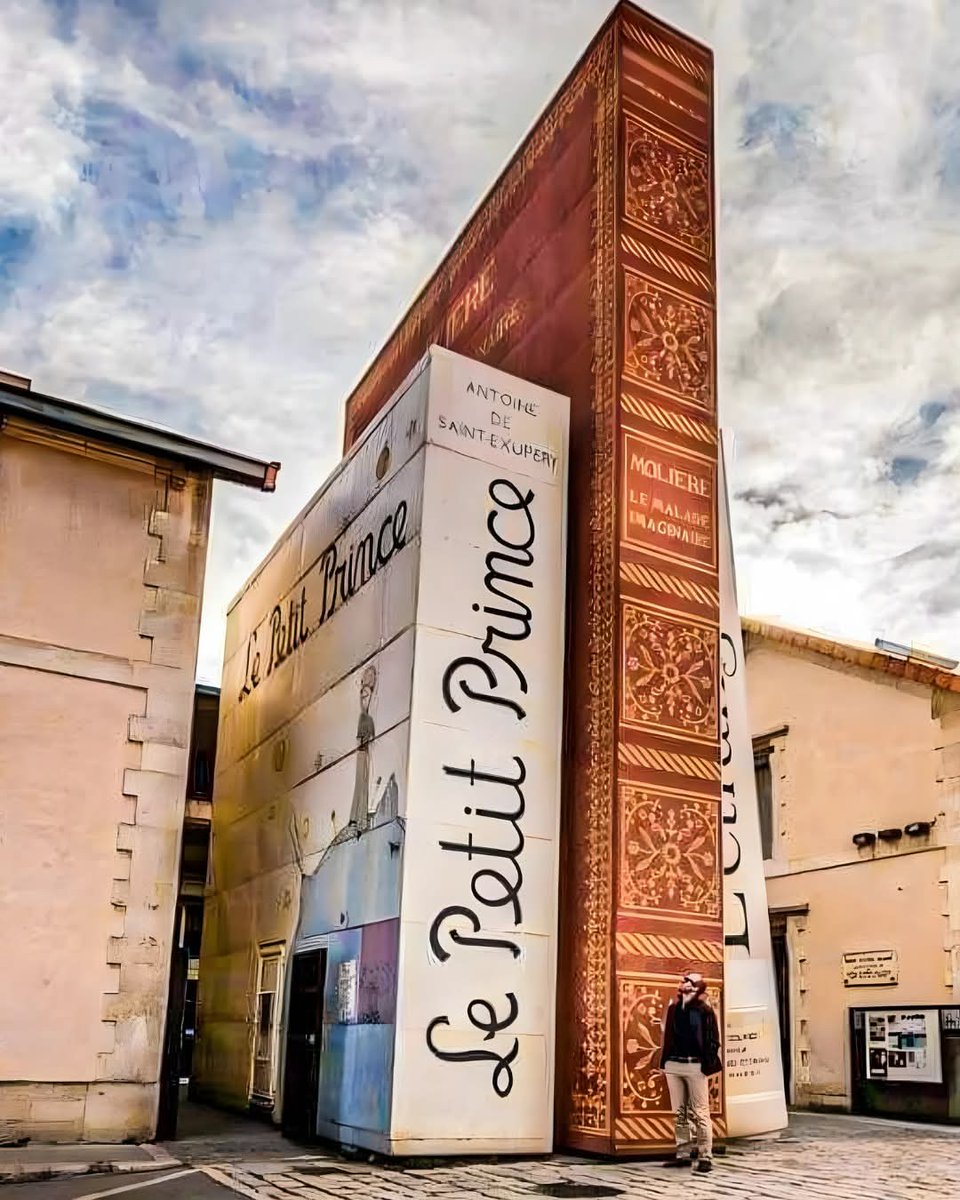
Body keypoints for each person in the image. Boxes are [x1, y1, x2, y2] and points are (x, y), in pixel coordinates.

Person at [659, 971, 722, 1173]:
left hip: (695, 1066)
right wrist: (664, 1062)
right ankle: (683, 1154)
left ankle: (705, 1156)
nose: (683, 984)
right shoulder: (674, 1008)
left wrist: (706, 1063)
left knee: (700, 1111)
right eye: (683, 981)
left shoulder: (705, 1011)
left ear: (696, 987)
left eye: (687, 981)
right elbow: (668, 1036)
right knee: (679, 1112)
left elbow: (713, 1040)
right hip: (674, 1065)